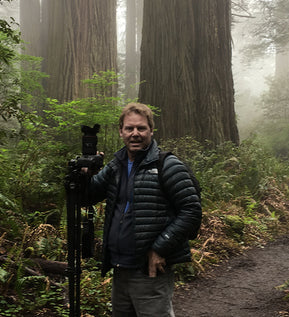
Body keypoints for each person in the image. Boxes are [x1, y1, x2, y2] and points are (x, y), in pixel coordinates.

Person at [86, 102, 202, 317]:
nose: (135, 134)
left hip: (150, 270)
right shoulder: (115, 166)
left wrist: (160, 248)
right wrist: (84, 174)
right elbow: (87, 197)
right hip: (120, 268)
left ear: (151, 130)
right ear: (121, 131)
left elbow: (191, 210)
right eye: (129, 128)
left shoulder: (167, 165)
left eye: (141, 128)